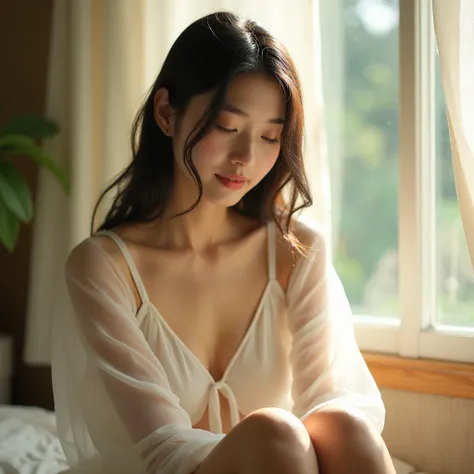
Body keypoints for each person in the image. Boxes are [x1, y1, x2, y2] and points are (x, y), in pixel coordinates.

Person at [51, 10, 396, 474]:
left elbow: (328, 399)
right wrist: (264, 442)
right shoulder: (103, 267)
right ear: (166, 114)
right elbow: (161, 447)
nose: (246, 158)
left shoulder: (295, 252)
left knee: (344, 426)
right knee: (277, 434)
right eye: (228, 128)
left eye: (271, 136)